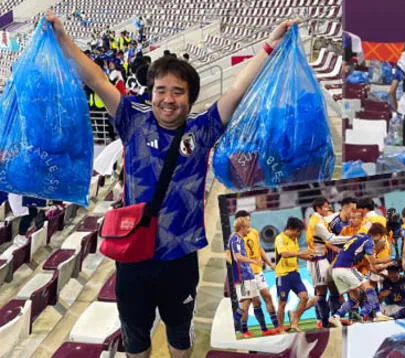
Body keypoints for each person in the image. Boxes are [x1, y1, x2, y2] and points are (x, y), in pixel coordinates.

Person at [44, 10, 299, 357]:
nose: (168, 98)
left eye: (177, 91)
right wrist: (61, 37)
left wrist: (270, 44)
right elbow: (98, 80)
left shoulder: (203, 129)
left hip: (179, 258)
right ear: (151, 92)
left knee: (180, 336)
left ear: (190, 97)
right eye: (161, 90)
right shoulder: (133, 120)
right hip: (133, 255)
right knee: (135, 338)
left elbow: (238, 89)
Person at [329, 223, 394, 327]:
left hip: (336, 270)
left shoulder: (359, 235)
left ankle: (335, 316)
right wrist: (387, 259)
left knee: (354, 298)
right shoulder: (369, 241)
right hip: (346, 268)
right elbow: (373, 262)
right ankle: (378, 314)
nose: (381, 239)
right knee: (369, 288)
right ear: (378, 235)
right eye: (382, 237)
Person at [228, 217, 277, 338]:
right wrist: (253, 261)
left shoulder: (240, 238)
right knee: (245, 304)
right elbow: (238, 257)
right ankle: (238, 329)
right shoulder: (235, 239)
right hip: (243, 275)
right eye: (247, 227)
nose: (249, 229)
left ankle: (264, 330)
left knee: (257, 301)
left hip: (248, 274)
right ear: (242, 228)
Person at [274, 217, 318, 333]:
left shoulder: (294, 239)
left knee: (304, 297)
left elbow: (297, 254)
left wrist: (309, 256)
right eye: (298, 231)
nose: (299, 234)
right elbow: (284, 254)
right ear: (291, 228)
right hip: (283, 275)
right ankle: (281, 328)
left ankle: (294, 321)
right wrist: (302, 252)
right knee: (282, 302)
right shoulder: (280, 238)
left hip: (295, 274)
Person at [306, 198, 341, 328]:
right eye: (325, 207)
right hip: (317, 260)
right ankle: (324, 321)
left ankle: (333, 318)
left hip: (323, 259)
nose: (327, 209)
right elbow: (326, 239)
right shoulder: (316, 221)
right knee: (321, 292)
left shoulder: (320, 220)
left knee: (333, 289)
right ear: (319, 209)